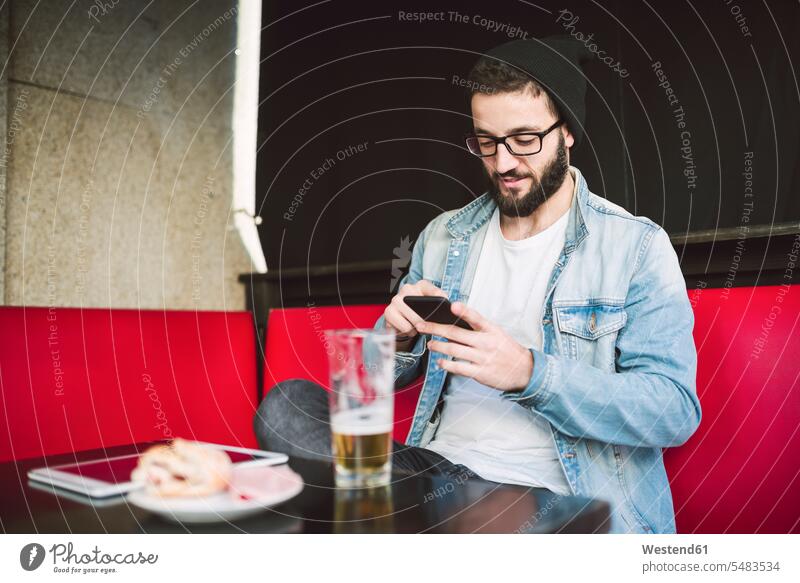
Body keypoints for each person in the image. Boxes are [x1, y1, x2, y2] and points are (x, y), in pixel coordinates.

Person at [254, 35, 701, 534]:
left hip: (558, 501)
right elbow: (376, 382)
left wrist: (529, 373)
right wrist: (396, 340)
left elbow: (672, 410)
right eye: (487, 142)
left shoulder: (635, 247)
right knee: (286, 408)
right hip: (439, 481)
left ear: (568, 132)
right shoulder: (445, 236)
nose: (504, 163)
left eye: (524, 139)